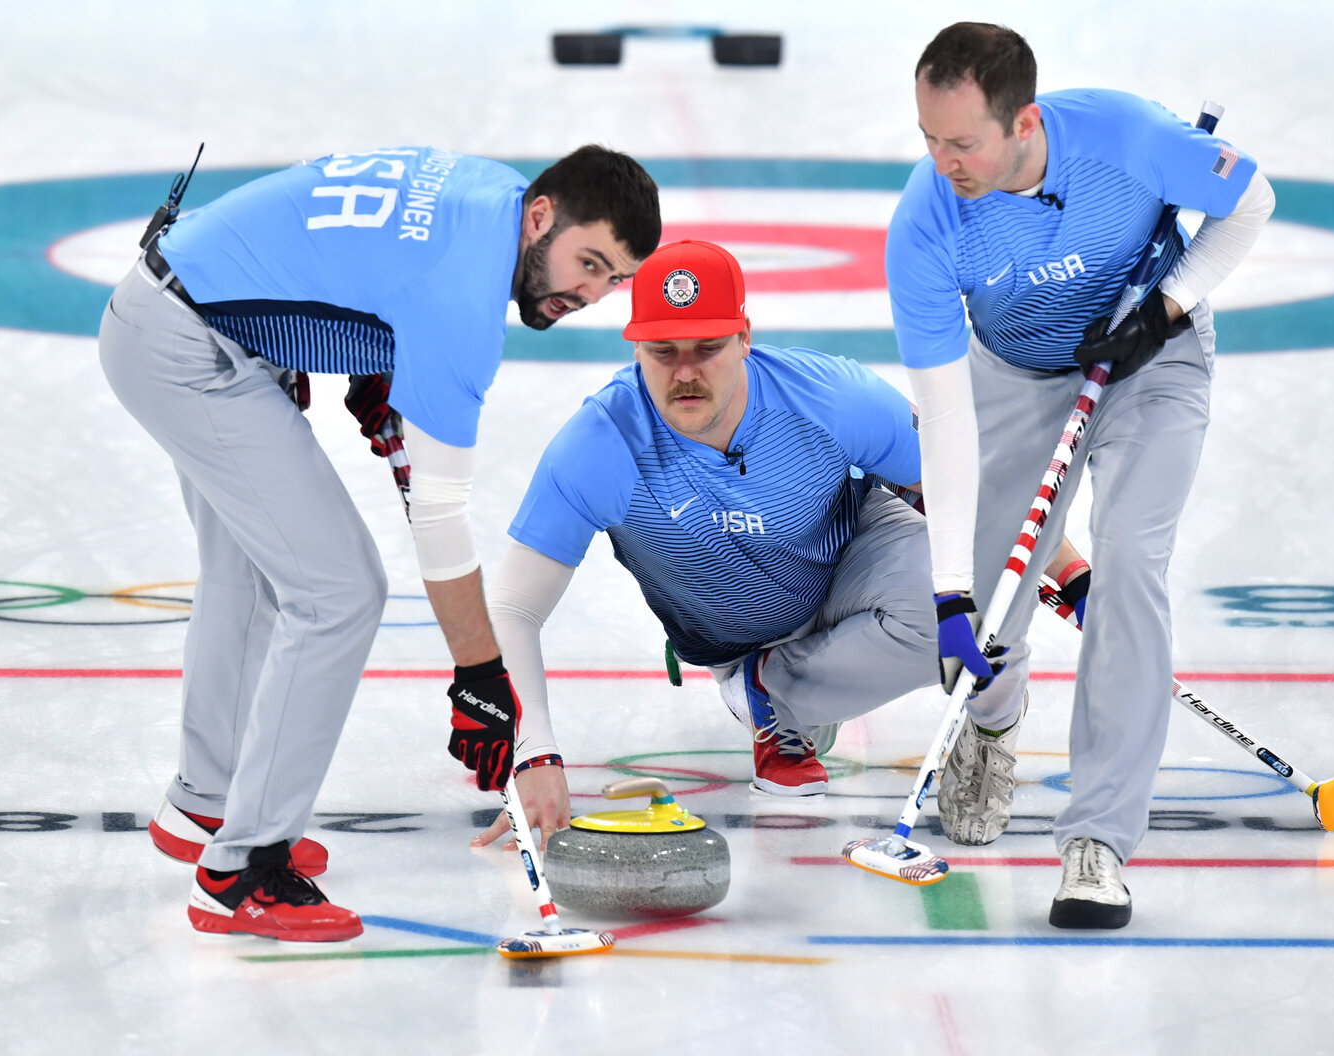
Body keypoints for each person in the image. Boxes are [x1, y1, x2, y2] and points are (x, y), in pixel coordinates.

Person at [98, 144, 661, 941]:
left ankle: (205, 805)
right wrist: (479, 677)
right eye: (590, 264)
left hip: (184, 314)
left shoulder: (495, 199)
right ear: (542, 218)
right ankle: (243, 870)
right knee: (338, 591)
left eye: (615, 280)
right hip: (191, 348)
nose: (593, 294)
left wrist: (370, 357)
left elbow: (368, 253)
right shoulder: (465, 306)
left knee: (251, 572)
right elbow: (440, 521)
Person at [885, 22, 1274, 928]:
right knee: (992, 589)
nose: (942, 163)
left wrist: (1166, 309)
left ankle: (1097, 839)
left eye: (962, 142)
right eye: (929, 138)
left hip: (1152, 362)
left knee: (1130, 562)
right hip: (1015, 373)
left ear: (1023, 122)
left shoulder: (1127, 137)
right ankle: (991, 717)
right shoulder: (927, 222)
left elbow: (1248, 200)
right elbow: (945, 419)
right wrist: (949, 594)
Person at [472, 238, 997, 849]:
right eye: (663, 350)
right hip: (732, 631)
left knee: (974, 599)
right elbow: (513, 608)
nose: (685, 372)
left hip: (848, 565)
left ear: (744, 338)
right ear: (635, 348)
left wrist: (1070, 579)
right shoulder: (599, 445)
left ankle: (776, 693)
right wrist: (533, 755)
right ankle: (769, 692)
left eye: (708, 347)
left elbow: (965, 493)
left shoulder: (831, 396)